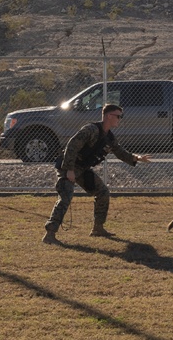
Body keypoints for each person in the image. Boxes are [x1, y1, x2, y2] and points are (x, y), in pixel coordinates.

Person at [43, 103, 152, 244]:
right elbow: (72, 145)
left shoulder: (110, 138)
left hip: (83, 169)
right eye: (118, 116)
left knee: (102, 192)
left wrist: (137, 158)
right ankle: (50, 234)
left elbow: (120, 152)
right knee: (65, 198)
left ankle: (98, 228)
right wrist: (69, 169)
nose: (120, 119)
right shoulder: (91, 129)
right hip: (68, 167)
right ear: (108, 116)